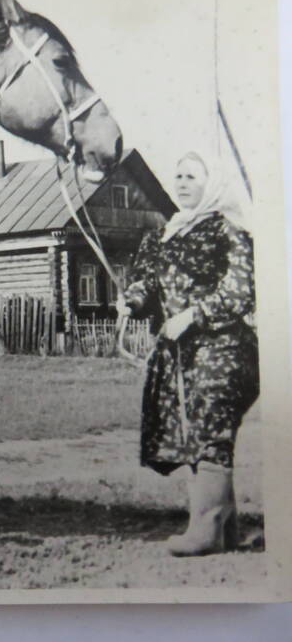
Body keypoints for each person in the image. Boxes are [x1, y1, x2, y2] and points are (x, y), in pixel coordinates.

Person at [116, 150, 258, 557]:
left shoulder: (229, 230)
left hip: (223, 348)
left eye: (191, 176)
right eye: (176, 175)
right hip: (179, 355)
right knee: (194, 431)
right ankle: (223, 530)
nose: (181, 183)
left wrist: (195, 315)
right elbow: (146, 282)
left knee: (210, 427)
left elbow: (241, 289)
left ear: (209, 184)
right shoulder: (165, 233)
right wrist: (133, 302)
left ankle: (207, 529)